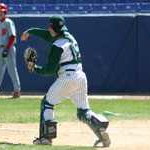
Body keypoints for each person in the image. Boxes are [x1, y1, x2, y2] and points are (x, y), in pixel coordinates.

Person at [20, 15, 111, 147]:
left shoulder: (57, 45)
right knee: (83, 112)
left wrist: (35, 69)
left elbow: (50, 69)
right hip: (80, 76)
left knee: (47, 103)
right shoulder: (69, 37)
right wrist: (31, 31)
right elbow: (48, 35)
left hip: (67, 77)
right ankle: (101, 131)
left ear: (51, 27)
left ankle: (46, 138)